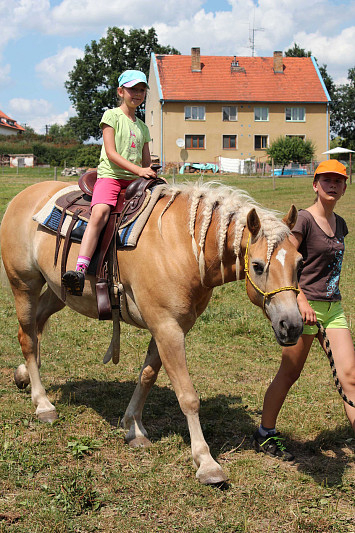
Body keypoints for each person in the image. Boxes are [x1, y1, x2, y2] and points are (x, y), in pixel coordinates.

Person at [252, 159, 355, 461]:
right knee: (290, 373)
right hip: (303, 309)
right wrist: (301, 301)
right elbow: (286, 260)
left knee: (349, 374)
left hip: (333, 308)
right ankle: (264, 432)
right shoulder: (304, 221)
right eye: (326, 180)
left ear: (345, 187)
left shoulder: (341, 224)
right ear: (315, 184)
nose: (332, 185)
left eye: (338, 181)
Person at [62, 69, 158, 296]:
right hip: (111, 177)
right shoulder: (111, 116)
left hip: (134, 181)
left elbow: (145, 160)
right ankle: (80, 268)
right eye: (133, 89)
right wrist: (139, 170)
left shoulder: (143, 127)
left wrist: (151, 170)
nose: (137, 94)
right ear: (120, 91)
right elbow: (112, 153)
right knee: (101, 213)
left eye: (142, 90)